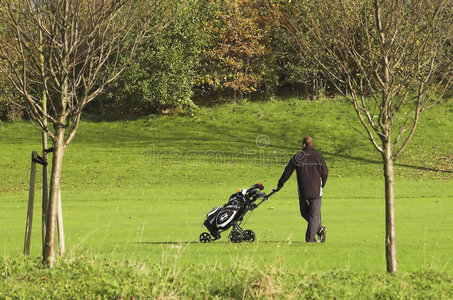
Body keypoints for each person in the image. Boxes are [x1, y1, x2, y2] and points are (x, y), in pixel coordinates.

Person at [276, 136, 328, 243]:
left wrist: (280, 184)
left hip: (303, 191)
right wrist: (322, 183)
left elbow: (287, 172)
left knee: (308, 214)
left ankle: (310, 240)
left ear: (303, 145)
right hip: (316, 191)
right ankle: (320, 230)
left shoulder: (297, 157)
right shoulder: (319, 157)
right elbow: (325, 172)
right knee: (311, 215)